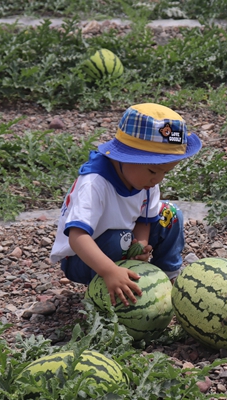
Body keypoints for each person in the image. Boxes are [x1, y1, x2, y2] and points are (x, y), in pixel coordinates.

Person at [50, 103, 202, 307]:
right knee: (118, 238)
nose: (157, 179)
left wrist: (140, 245)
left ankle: (166, 278)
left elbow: (145, 219)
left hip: (123, 241)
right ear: (127, 157)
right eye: (153, 171)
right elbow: (77, 237)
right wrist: (109, 271)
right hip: (81, 259)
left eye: (165, 173)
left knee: (171, 215)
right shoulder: (95, 183)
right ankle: (106, 295)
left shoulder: (147, 181)